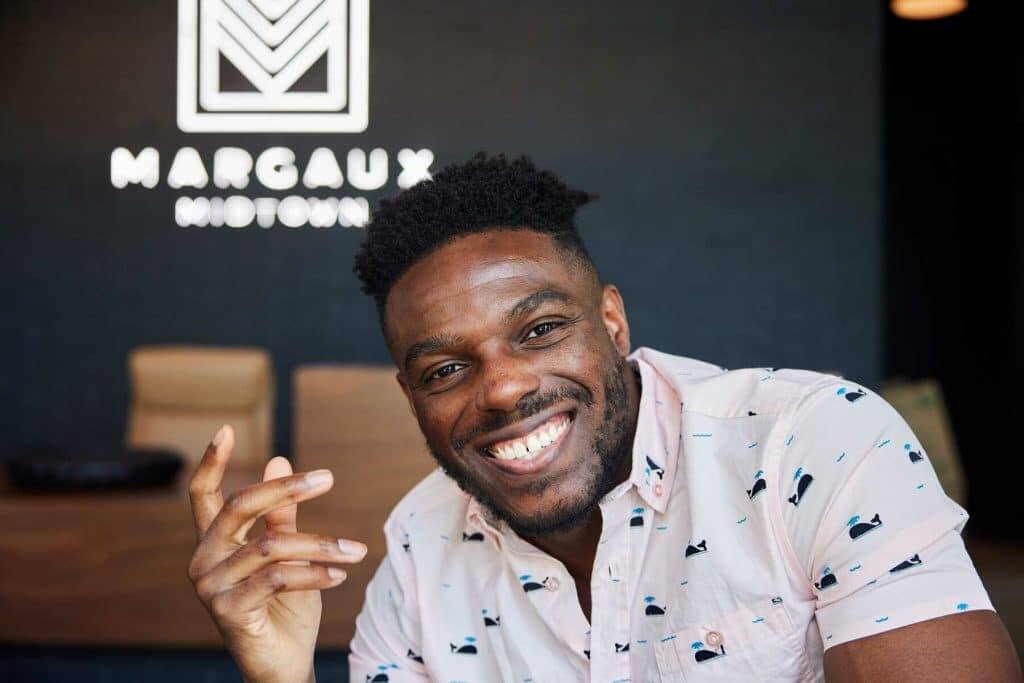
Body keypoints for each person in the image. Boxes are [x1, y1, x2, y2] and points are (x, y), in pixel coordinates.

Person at [187, 154, 1022, 682]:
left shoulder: (817, 441)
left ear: (613, 322)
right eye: (446, 368)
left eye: (541, 330)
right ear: (412, 397)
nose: (506, 389)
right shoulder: (419, 544)